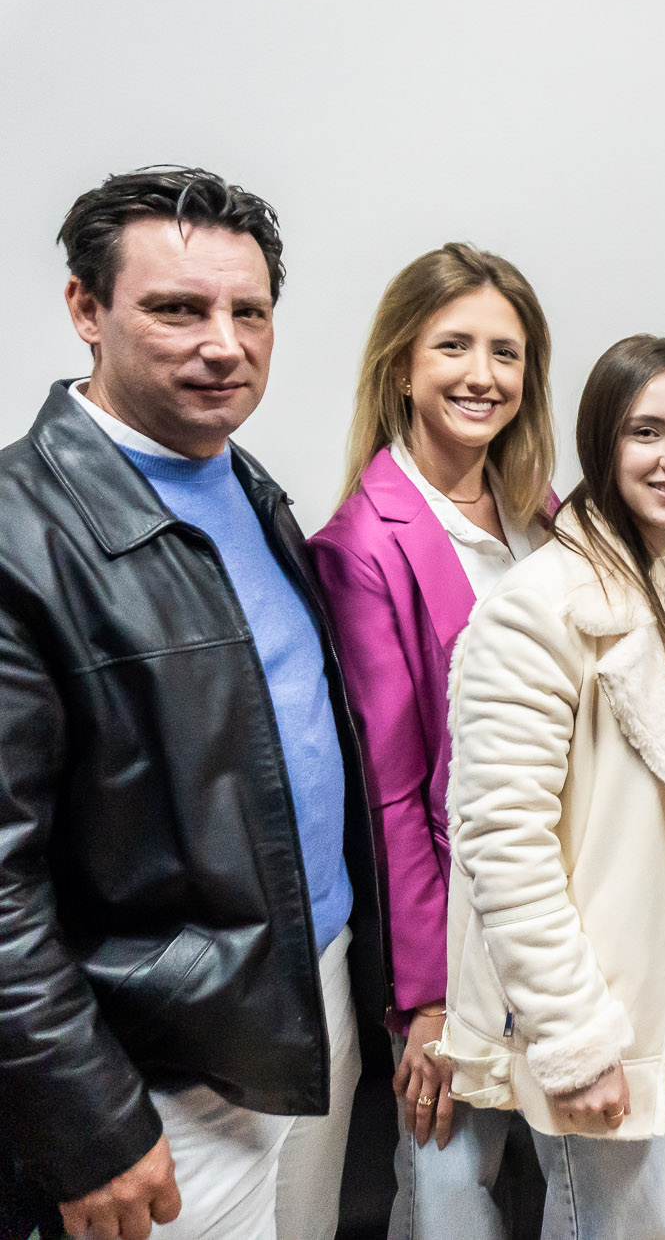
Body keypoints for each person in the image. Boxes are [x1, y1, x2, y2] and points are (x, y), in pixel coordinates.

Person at [0, 166, 384, 1240]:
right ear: (86, 309)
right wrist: (87, 1122)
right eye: (178, 309)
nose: (224, 344)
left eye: (248, 312)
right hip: (159, 1069)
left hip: (306, 1000)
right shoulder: (20, 535)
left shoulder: (247, 484)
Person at [438, 335, 665, 1240]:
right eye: (647, 431)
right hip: (601, 967)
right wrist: (575, 1037)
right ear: (602, 440)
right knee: (618, 1222)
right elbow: (503, 844)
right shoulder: (537, 604)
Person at [309, 243, 558, 1239]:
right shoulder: (361, 544)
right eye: (453, 345)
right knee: (452, 1194)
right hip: (454, 936)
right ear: (402, 365)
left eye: (506, 351)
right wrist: (425, 999)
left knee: (574, 1185)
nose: (481, 374)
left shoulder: (541, 513)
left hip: (557, 908)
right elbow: (390, 794)